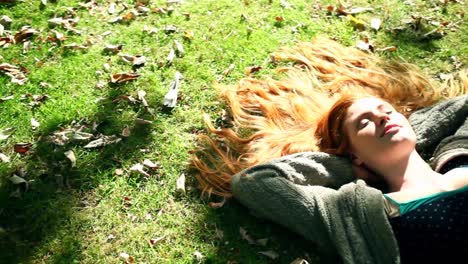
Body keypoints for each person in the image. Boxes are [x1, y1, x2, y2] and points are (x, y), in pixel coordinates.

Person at [190, 37, 467, 263]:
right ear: (354, 154)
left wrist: (417, 135)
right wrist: (345, 165)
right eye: (364, 122)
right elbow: (255, 183)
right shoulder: (355, 214)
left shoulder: (460, 158)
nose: (382, 117)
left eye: (387, 111)